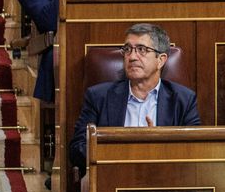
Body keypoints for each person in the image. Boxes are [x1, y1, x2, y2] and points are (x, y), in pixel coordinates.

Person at [69, 23, 200, 172]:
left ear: (161, 60)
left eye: (142, 50)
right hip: (111, 181)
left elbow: (193, 154)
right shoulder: (98, 97)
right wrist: (124, 152)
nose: (131, 57)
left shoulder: (184, 100)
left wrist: (160, 145)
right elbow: (76, 150)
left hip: (163, 181)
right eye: (127, 49)